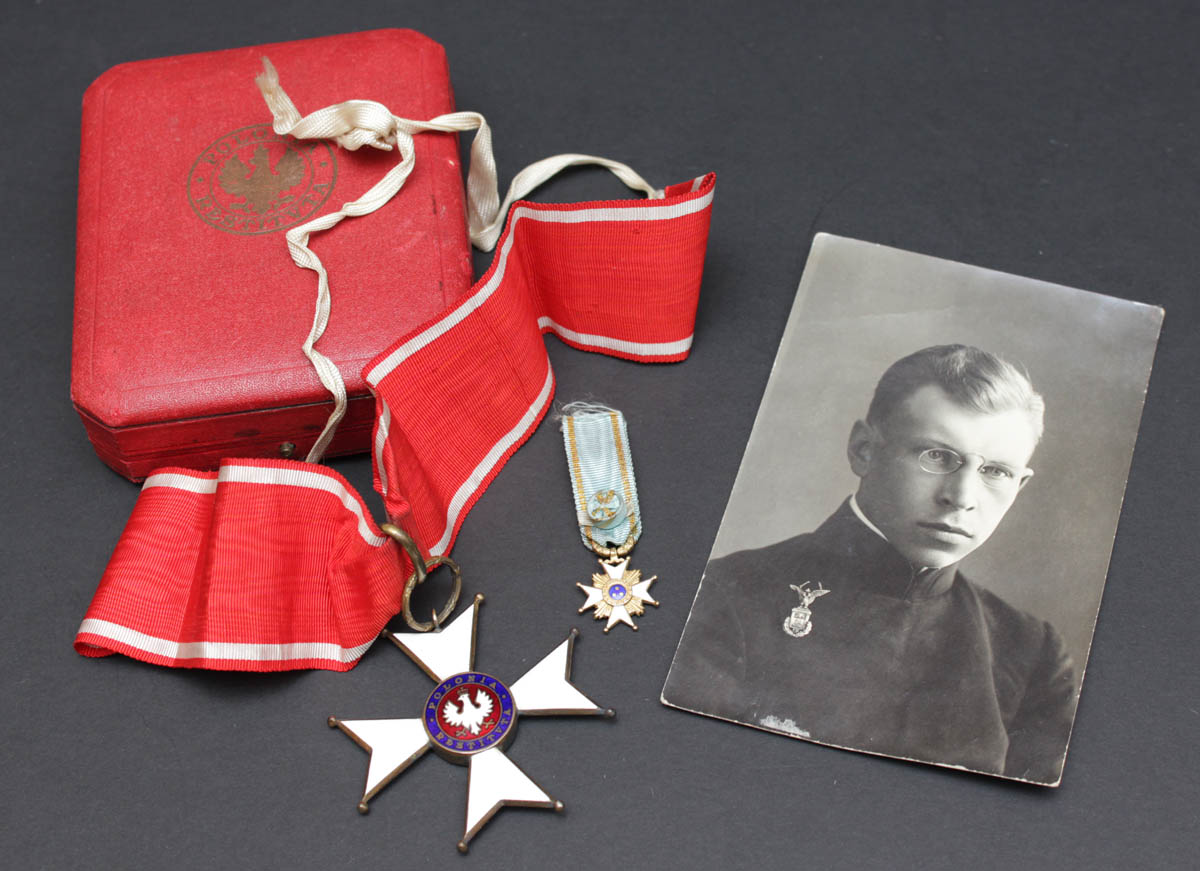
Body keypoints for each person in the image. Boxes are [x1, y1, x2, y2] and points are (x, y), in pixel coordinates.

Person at [663, 344, 1078, 784]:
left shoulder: (1031, 653)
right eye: (936, 456)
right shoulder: (725, 594)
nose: (961, 498)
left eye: (996, 471)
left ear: (1020, 485)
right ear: (863, 450)